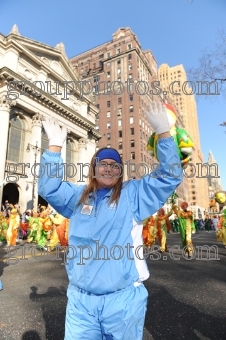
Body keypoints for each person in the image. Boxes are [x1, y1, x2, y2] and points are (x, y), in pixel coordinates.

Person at [38, 102, 182, 340]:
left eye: (114, 165)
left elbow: (170, 175)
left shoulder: (133, 195)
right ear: (94, 169)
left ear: (120, 172)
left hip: (122, 301)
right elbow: (49, 188)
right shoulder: (77, 196)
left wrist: (164, 134)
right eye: (102, 164)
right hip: (80, 302)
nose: (108, 169)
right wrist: (54, 148)